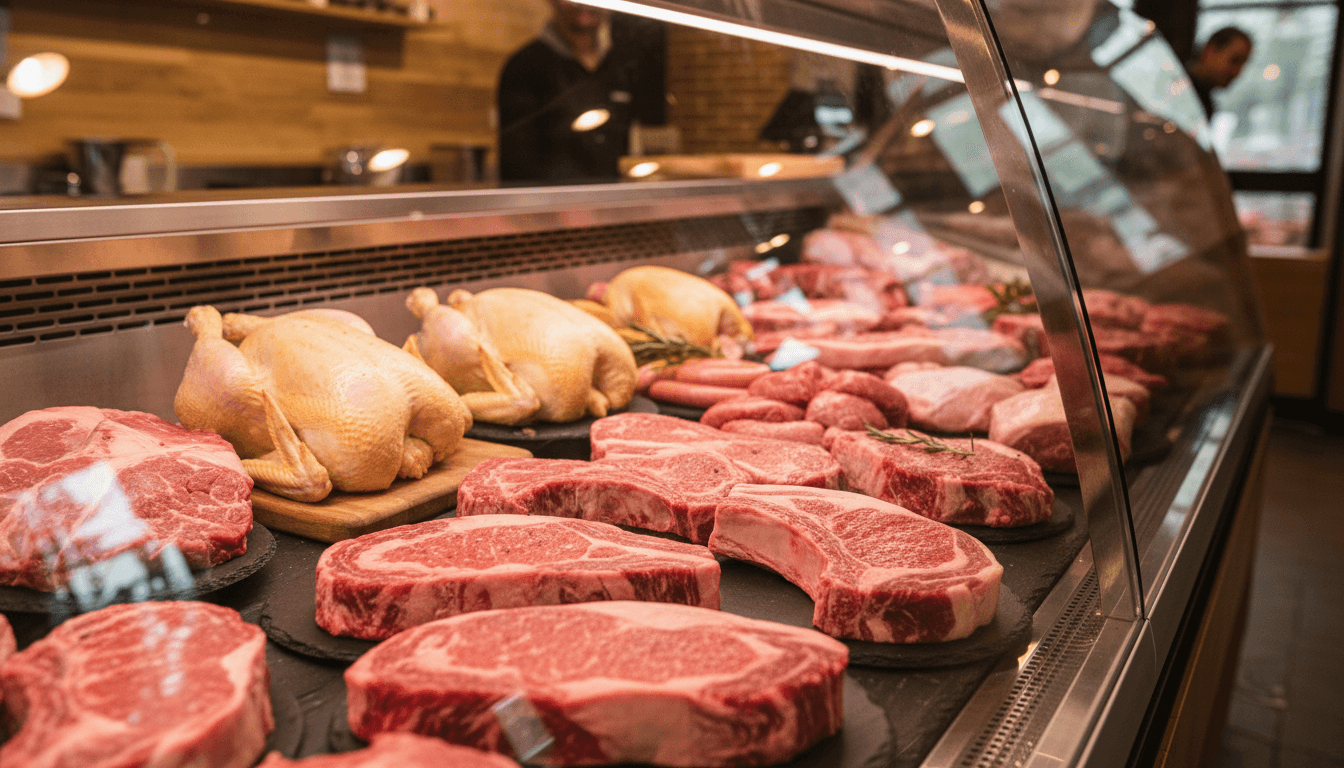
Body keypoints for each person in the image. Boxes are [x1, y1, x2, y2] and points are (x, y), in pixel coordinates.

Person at [496, 1, 650, 184]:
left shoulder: (622, 66)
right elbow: (517, 165)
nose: (585, 4)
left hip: (610, 205)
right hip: (552, 208)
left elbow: (631, 148)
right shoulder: (524, 65)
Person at [1186, 27, 1253, 118]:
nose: (1237, 73)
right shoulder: (1181, 91)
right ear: (1210, 51)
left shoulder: (1203, 99)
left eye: (1242, 65)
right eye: (1235, 61)